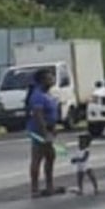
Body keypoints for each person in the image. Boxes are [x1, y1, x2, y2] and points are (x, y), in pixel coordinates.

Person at [26, 68, 60, 197]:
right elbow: (38, 115)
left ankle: (49, 186)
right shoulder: (37, 95)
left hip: (48, 130)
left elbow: (50, 113)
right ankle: (35, 189)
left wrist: (53, 128)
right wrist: (44, 132)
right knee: (38, 157)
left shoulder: (47, 94)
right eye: (50, 77)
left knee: (50, 156)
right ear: (42, 80)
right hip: (39, 131)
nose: (52, 79)